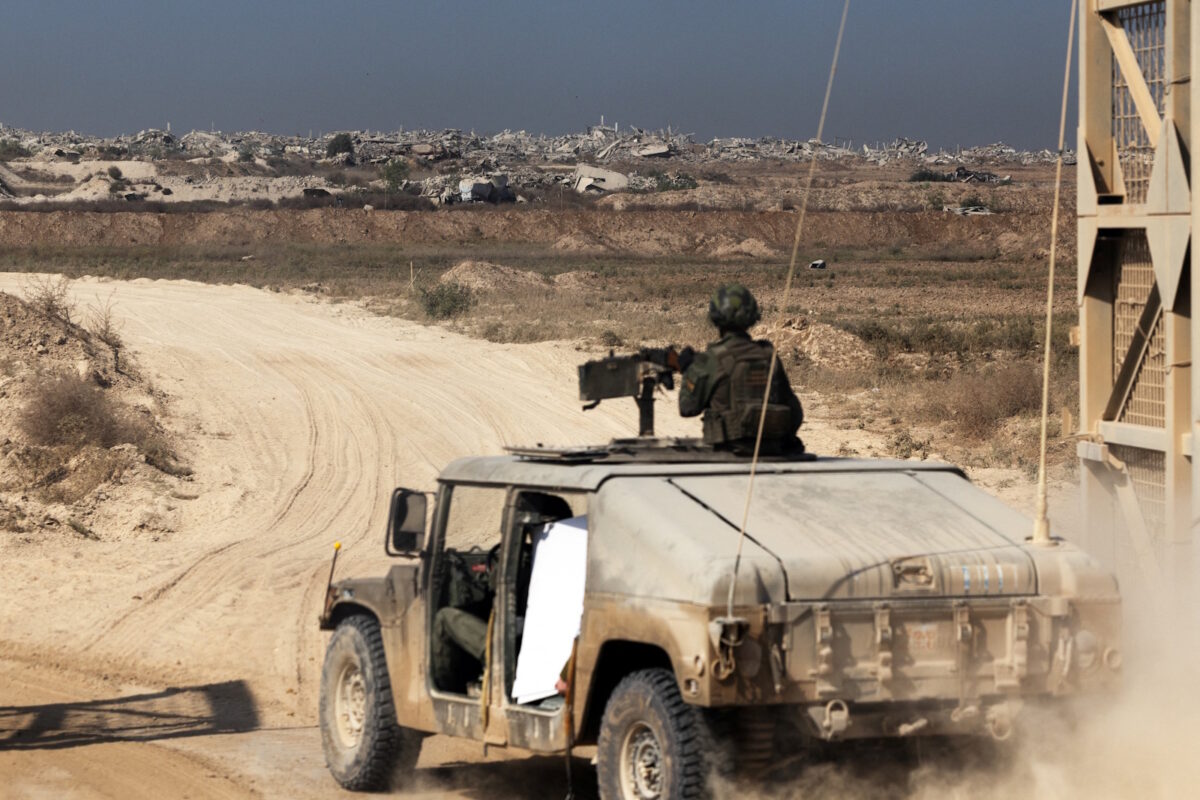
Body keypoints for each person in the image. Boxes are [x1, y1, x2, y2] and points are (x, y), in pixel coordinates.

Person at [678, 283, 804, 454]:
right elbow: (795, 413)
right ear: (752, 317)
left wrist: (689, 370)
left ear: (715, 318)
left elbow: (687, 408)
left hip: (727, 453)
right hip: (771, 451)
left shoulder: (710, 360)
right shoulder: (768, 356)